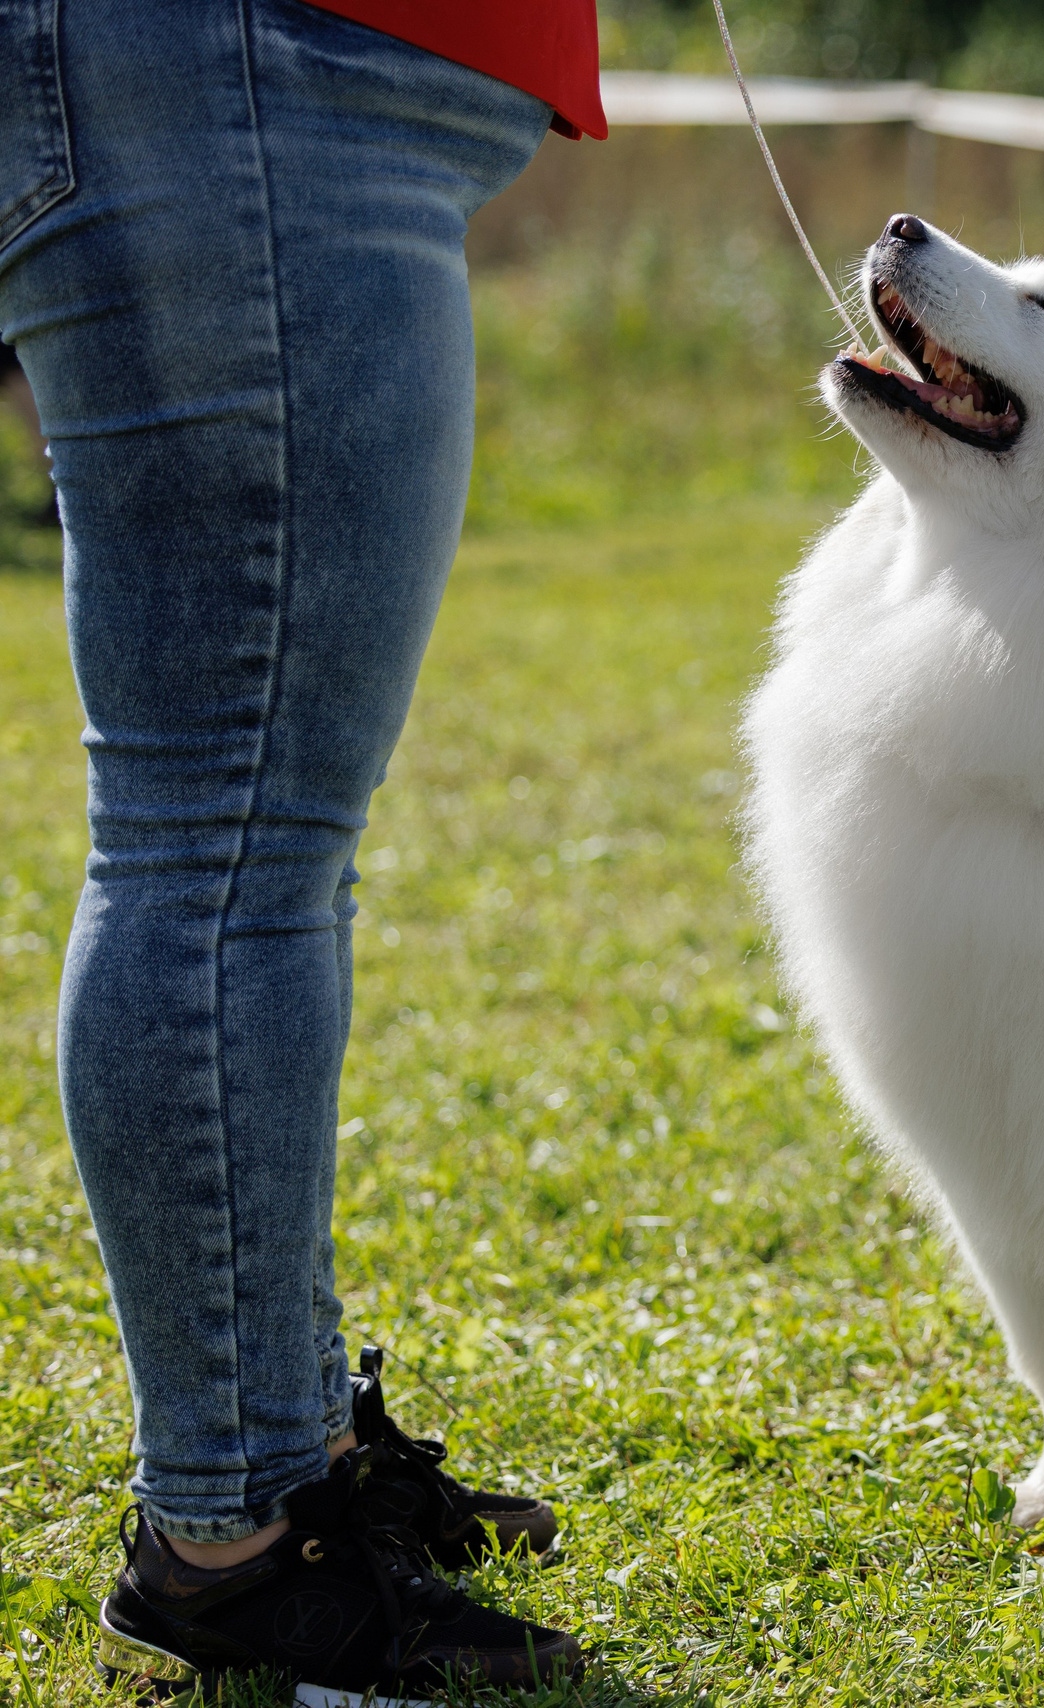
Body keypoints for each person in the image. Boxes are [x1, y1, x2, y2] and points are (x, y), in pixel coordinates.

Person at [0, 0, 609, 1695]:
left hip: (275, 87)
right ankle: (228, 1550)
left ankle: (279, 1473)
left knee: (261, 845)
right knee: (228, 842)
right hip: (243, 73)